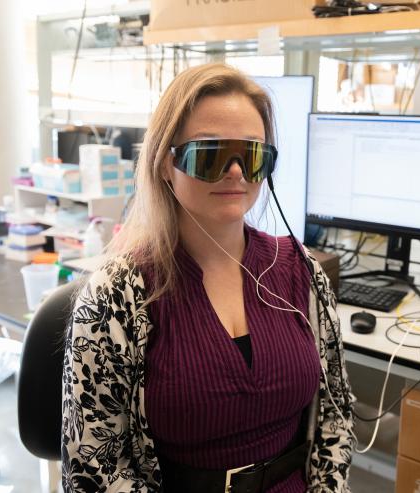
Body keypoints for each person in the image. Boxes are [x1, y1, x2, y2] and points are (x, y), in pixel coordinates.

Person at [61, 63, 355, 492]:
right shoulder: (117, 293)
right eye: (211, 153)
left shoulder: (301, 272)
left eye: (252, 155)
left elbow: (336, 414)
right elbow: (93, 470)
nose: (236, 172)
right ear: (166, 164)